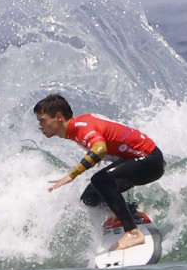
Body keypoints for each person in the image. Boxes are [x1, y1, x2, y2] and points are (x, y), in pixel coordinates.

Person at [33, 94, 166, 251]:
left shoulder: (81, 129)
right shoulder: (81, 123)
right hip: (141, 160)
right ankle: (133, 213)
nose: (40, 126)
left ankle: (132, 232)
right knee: (89, 199)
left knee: (100, 181)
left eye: (42, 120)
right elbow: (108, 130)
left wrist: (71, 175)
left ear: (59, 117)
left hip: (150, 162)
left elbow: (100, 148)